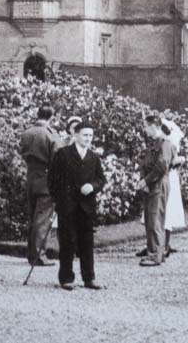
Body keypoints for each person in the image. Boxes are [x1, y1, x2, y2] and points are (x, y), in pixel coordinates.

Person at [48, 120, 106, 291]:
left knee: (87, 242)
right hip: (67, 206)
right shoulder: (63, 154)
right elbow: (52, 180)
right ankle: (66, 278)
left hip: (86, 207)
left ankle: (89, 278)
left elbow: (101, 179)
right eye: (85, 135)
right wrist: (59, 200)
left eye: (90, 135)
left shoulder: (93, 157)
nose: (88, 138)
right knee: (67, 241)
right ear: (75, 135)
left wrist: (92, 186)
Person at [19, 104, 61, 267]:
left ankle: (32, 254)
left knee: (33, 217)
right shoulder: (51, 135)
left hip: (31, 177)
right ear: (52, 117)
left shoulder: (26, 133)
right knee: (43, 219)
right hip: (46, 179)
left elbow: (22, 152)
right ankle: (39, 255)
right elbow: (58, 159)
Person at [136, 114, 173, 267]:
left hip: (158, 183)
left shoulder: (164, 143)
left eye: (146, 126)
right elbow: (145, 163)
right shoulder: (154, 143)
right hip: (152, 183)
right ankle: (156, 252)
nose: (145, 130)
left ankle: (155, 255)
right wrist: (144, 180)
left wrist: (145, 180)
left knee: (155, 219)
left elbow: (161, 167)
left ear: (153, 126)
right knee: (150, 219)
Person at [162, 119, 186, 256]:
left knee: (168, 210)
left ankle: (165, 245)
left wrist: (177, 161)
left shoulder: (171, 145)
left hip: (169, 177)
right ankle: (154, 244)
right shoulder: (159, 144)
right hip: (164, 176)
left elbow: (171, 162)